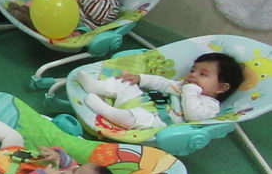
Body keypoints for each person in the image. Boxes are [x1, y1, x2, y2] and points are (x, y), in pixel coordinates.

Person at [75, 53, 244, 130]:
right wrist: (140, 79)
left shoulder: (210, 106)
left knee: (138, 118)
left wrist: (190, 92)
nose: (193, 75)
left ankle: (106, 110)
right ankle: (98, 87)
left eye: (203, 74)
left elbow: (194, 116)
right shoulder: (181, 85)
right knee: (125, 83)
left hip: (157, 120)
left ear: (221, 87)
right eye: (193, 70)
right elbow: (163, 83)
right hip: (143, 101)